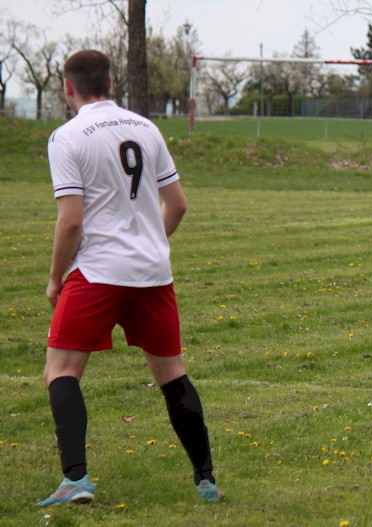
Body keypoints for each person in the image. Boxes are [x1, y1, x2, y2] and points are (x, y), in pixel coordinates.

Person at [38, 49, 223, 506]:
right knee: (171, 373)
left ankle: (76, 480)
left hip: (98, 271)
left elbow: (71, 221)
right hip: (152, 273)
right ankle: (206, 480)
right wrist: (148, 242)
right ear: (110, 82)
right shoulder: (146, 127)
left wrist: (55, 277)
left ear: (68, 87)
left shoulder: (67, 136)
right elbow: (177, 204)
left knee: (61, 370)